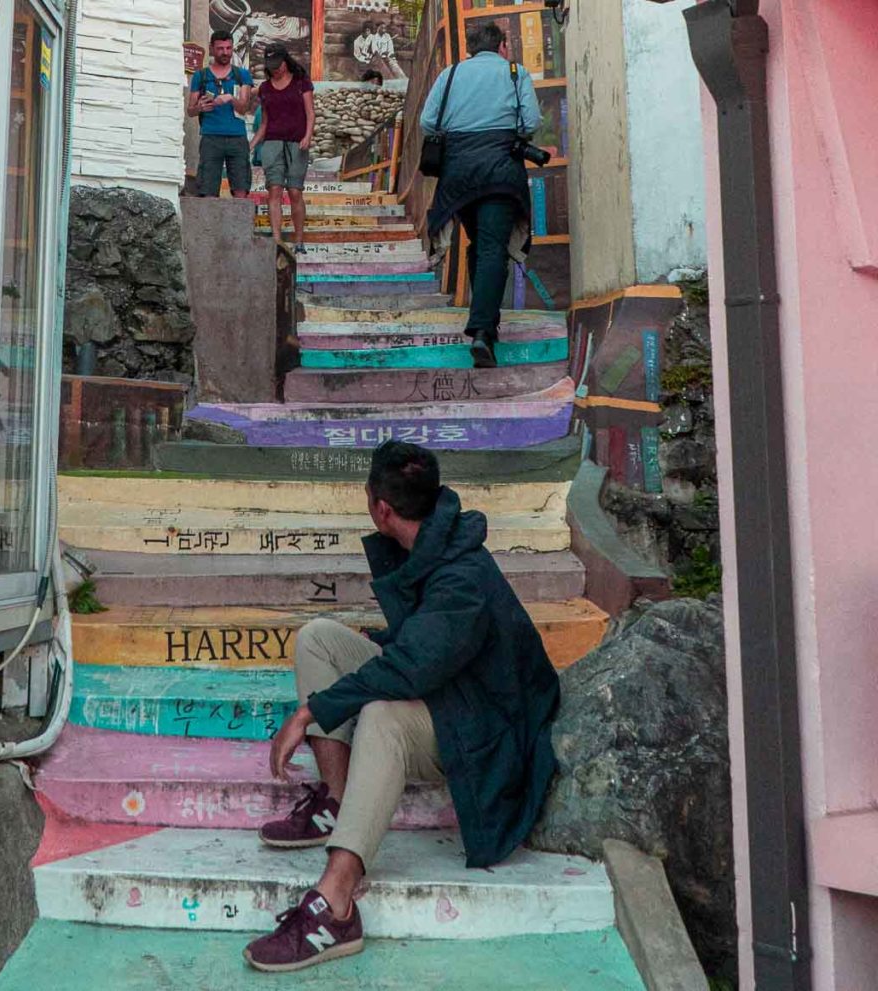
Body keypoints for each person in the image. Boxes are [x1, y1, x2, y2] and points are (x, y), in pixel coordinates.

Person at [242, 441, 560, 973]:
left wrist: (308, 713)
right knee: (319, 638)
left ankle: (337, 905)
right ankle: (339, 805)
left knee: (382, 717)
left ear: (381, 509)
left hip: (484, 728)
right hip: (452, 693)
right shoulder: (435, 544)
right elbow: (428, 644)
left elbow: (414, 666)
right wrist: (386, 641)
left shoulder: (462, 575)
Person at [420, 22, 540, 368]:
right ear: (503, 46)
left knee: (480, 245)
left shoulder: (451, 74)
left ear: (471, 48)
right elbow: (530, 122)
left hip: (458, 174)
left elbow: (428, 123)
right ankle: (483, 332)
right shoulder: (516, 72)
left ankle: (484, 323)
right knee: (492, 248)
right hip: (501, 169)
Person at [250, 44, 315, 253]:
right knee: (275, 189)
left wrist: (307, 135)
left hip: (297, 142)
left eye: (278, 65)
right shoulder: (265, 88)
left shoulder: (301, 83)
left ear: (286, 61)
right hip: (272, 143)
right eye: (272, 66)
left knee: (295, 191)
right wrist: (251, 145)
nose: (275, 69)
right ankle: (277, 240)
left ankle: (299, 240)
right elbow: (264, 123)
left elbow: (310, 113)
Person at [188, 30, 254, 198]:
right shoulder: (201, 76)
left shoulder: (242, 75)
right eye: (220, 49)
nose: (225, 53)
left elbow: (244, 108)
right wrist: (200, 107)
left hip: (237, 137)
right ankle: (209, 224)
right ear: (212, 49)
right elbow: (190, 110)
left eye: (228, 48)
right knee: (208, 189)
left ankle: (239, 224)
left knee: (241, 188)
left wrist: (230, 98)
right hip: (211, 137)